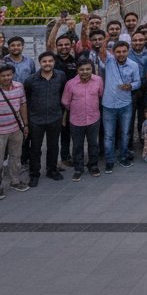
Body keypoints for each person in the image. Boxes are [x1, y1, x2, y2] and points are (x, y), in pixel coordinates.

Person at [23, 51, 66, 185]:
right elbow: (27, 100)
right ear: (40, 63)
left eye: (50, 61)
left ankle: (52, 170)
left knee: (53, 146)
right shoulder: (30, 80)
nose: (47, 64)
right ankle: (34, 174)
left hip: (55, 117)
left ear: (54, 62)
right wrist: (28, 121)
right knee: (35, 148)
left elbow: (63, 95)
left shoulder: (60, 76)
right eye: (44, 61)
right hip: (36, 119)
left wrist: (62, 115)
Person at [101, 40, 141, 172]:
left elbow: (138, 82)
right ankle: (110, 160)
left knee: (125, 133)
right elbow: (101, 51)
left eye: (124, 51)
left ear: (128, 51)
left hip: (125, 104)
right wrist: (105, 40)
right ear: (113, 52)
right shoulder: (109, 61)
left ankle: (123, 156)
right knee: (109, 136)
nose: (121, 54)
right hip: (108, 105)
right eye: (118, 51)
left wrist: (131, 86)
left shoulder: (133, 65)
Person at [61, 57, 104, 180]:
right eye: (81, 69)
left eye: (87, 69)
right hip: (76, 120)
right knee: (77, 145)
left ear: (92, 69)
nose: (85, 72)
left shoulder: (98, 81)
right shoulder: (70, 84)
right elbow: (66, 102)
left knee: (93, 144)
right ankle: (78, 168)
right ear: (77, 70)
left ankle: (93, 165)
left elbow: (101, 95)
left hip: (94, 118)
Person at [0, 62, 29, 195]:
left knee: (16, 157)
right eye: (3, 76)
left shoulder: (19, 87)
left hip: (16, 129)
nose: (6, 78)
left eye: (9, 75)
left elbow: (23, 105)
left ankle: (15, 180)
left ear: (13, 75)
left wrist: (25, 125)